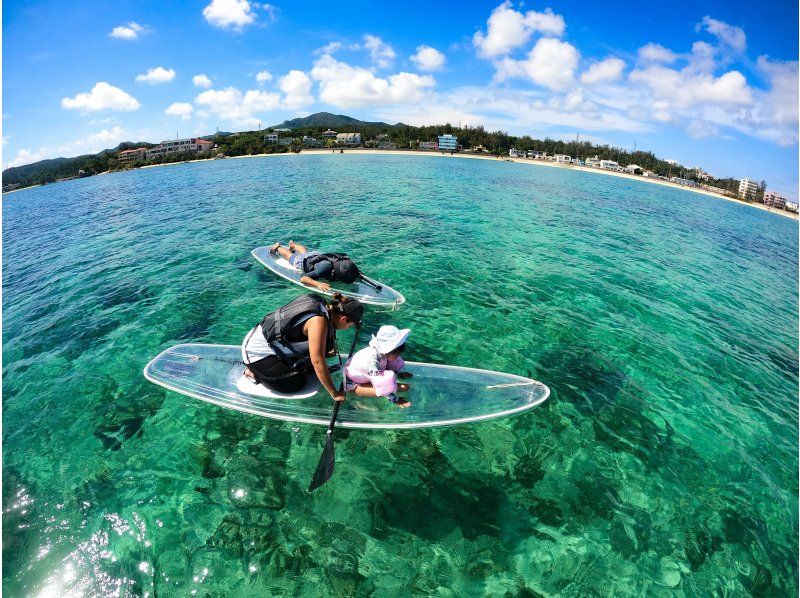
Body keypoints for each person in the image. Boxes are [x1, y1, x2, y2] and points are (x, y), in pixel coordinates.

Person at [241, 293, 363, 401]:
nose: (350, 327)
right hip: (257, 353)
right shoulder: (318, 322)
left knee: (310, 368)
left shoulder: (321, 305)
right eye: (351, 324)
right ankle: (252, 373)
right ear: (343, 319)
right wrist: (334, 393)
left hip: (266, 340)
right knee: (297, 383)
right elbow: (317, 361)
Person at [345, 325, 413, 408]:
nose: (398, 357)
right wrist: (396, 400)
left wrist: (399, 373)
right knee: (383, 392)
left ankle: (390, 386)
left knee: (403, 387)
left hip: (370, 375)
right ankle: (353, 392)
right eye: (397, 354)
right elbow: (382, 386)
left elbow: (385, 366)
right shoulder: (371, 362)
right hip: (353, 382)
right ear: (389, 350)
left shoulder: (381, 352)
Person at [270, 240, 361, 292]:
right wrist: (318, 284)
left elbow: (353, 270)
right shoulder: (325, 268)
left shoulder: (347, 263)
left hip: (317, 255)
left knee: (304, 252)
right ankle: (278, 247)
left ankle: (292, 244)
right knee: (290, 256)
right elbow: (303, 278)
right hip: (304, 262)